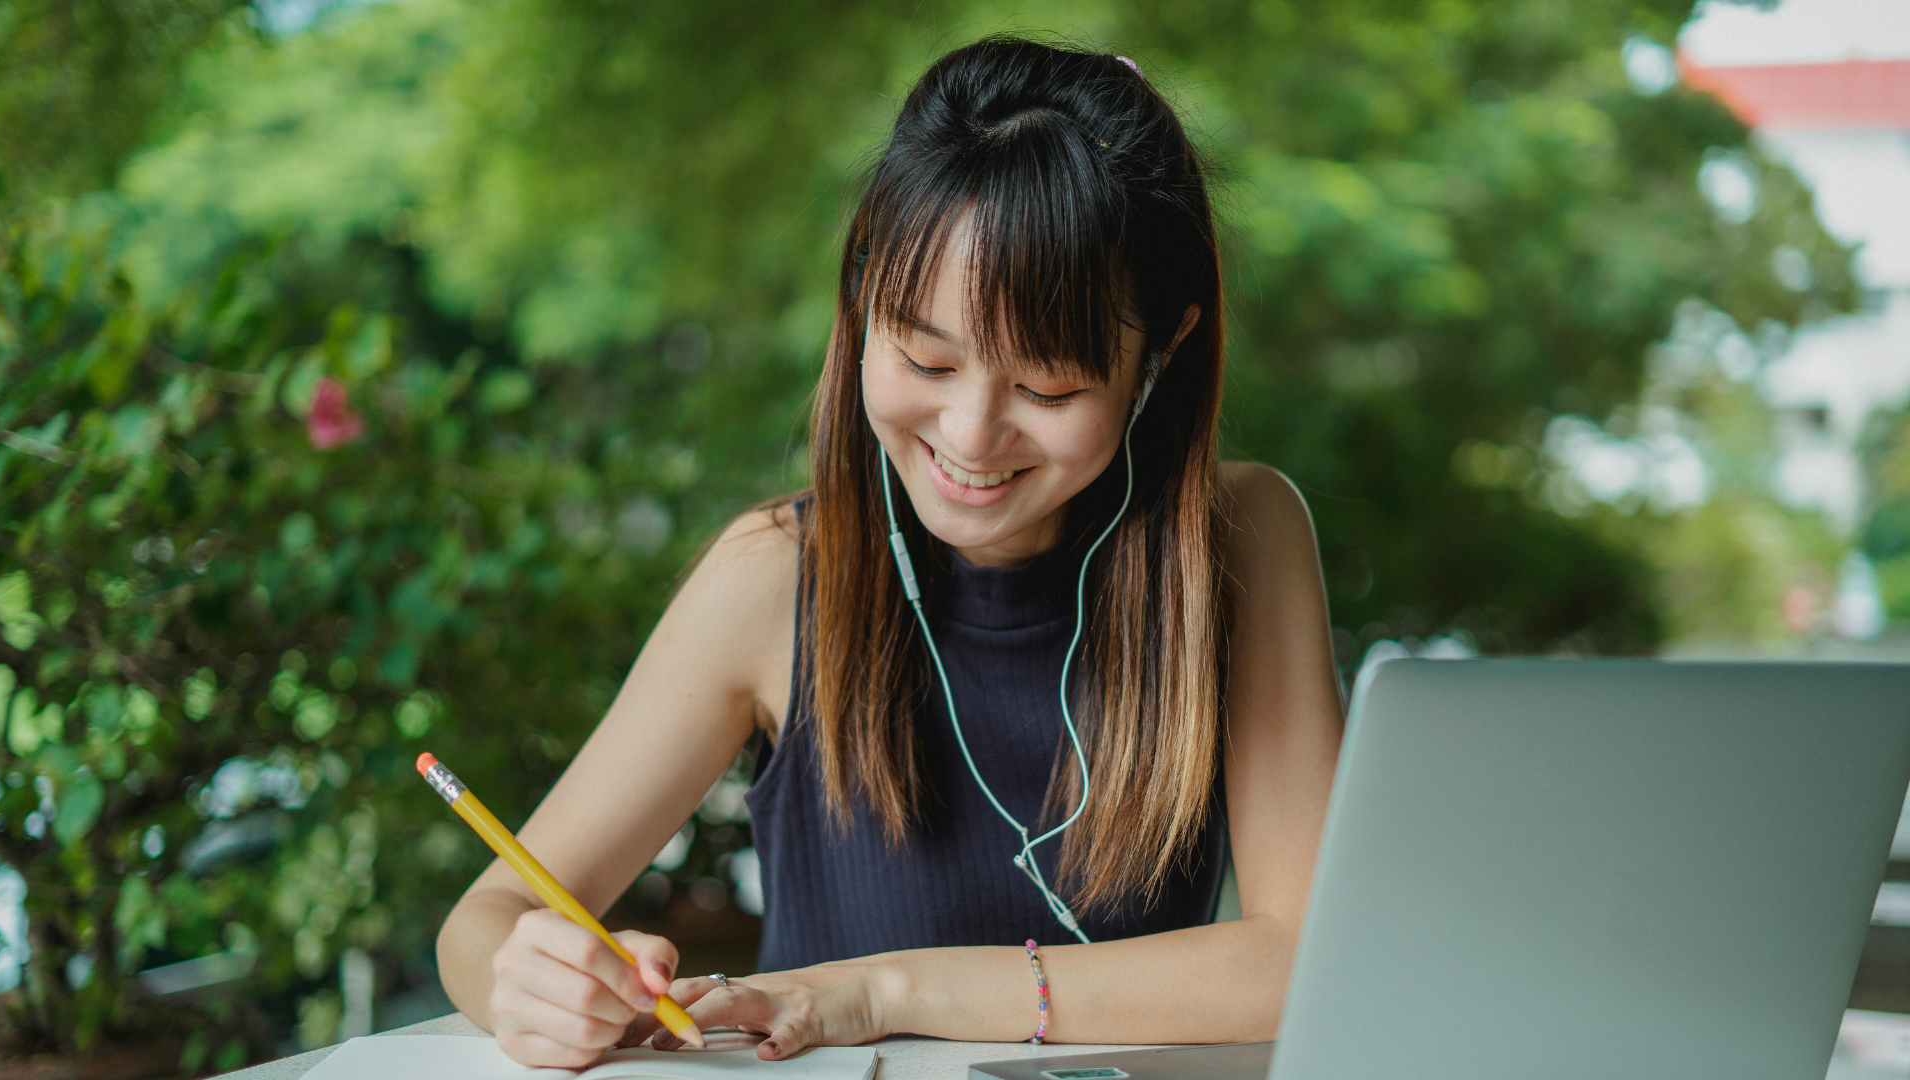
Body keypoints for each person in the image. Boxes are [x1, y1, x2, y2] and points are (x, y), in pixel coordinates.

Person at [435, 34, 1344, 1068]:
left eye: (1046, 390)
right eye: (924, 357)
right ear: (863, 297)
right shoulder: (773, 575)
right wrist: (536, 980)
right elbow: (490, 915)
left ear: (1162, 351)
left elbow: (1301, 958)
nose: (970, 436)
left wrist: (883, 990)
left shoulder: (1242, 540)